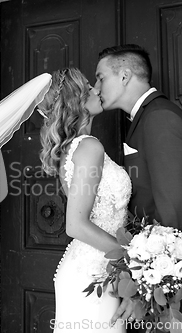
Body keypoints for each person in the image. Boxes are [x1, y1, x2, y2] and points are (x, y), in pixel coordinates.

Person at [94, 44, 182, 332]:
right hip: (163, 282)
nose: (96, 86)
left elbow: (174, 215)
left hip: (178, 283)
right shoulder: (145, 118)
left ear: (124, 76)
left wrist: (142, 290)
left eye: (101, 77)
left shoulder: (159, 117)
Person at [38, 68, 131, 332]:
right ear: (75, 99)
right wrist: (130, 260)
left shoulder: (73, 148)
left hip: (93, 269)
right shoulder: (89, 147)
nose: (97, 90)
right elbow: (76, 225)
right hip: (95, 275)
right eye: (90, 87)